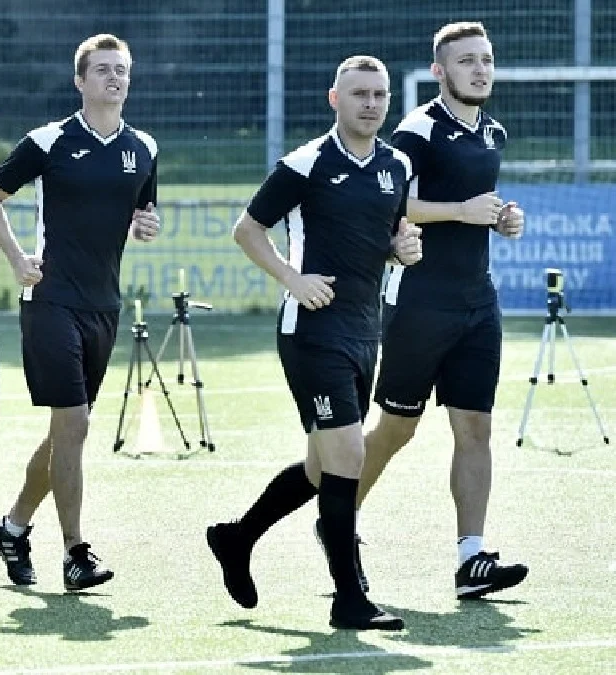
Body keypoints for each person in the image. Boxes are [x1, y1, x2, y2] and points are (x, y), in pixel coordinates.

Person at [206, 56, 419, 630]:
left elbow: (389, 236)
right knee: (348, 455)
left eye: (379, 94)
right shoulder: (306, 163)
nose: (370, 104)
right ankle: (349, 600)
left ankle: (237, 538)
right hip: (312, 333)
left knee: (323, 468)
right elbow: (247, 229)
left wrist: (402, 249)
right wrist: (292, 279)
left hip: (364, 329)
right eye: (359, 94)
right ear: (335, 99)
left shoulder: (397, 165)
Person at [0, 33, 159, 591]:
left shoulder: (144, 147)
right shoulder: (48, 140)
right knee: (74, 424)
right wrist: (16, 259)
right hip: (50, 299)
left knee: (66, 433)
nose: (114, 77)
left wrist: (146, 224)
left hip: (105, 305)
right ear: (80, 80)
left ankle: (12, 528)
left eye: (121, 69)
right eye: (102, 69)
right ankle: (76, 553)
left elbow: (144, 210)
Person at [357, 21, 529, 600]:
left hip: (478, 301)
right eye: (466, 61)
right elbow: (389, 201)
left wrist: (502, 219)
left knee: (476, 428)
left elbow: (477, 209)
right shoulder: (417, 131)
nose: (480, 70)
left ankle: (471, 558)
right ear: (440, 71)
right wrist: (461, 210)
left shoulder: (494, 132)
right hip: (419, 303)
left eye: (486, 59)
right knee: (397, 429)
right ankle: (337, 520)